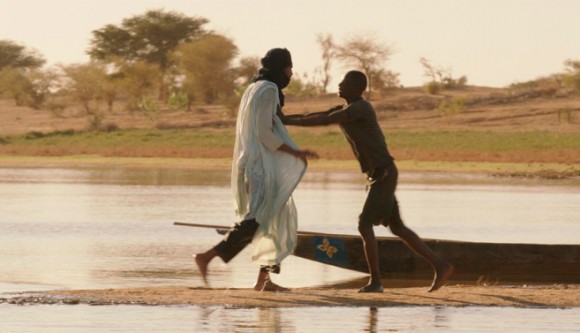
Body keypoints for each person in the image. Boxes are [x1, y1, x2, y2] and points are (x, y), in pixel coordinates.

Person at [282, 70, 453, 293]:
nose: (340, 85)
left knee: (364, 225)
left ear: (356, 87)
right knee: (398, 227)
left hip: (383, 173)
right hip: (380, 174)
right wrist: (284, 119)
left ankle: (376, 282)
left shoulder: (360, 108)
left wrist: (284, 120)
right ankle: (441, 266)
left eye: (344, 82)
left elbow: (324, 120)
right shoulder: (347, 109)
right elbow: (317, 115)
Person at [194, 48, 317, 292]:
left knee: (275, 219)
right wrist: (295, 153)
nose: (291, 73)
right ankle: (207, 256)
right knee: (257, 219)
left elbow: (267, 123)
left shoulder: (254, 88)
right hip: (262, 168)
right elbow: (263, 132)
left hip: (256, 164)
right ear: (281, 68)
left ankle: (265, 281)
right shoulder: (269, 89)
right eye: (289, 68)